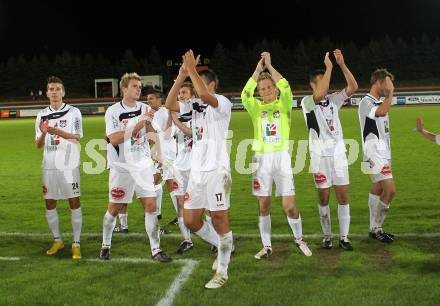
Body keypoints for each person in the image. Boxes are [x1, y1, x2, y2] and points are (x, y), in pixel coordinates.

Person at [166, 50, 233, 289]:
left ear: (212, 84)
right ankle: (224, 246)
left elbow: (204, 94)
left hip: (217, 170)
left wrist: (193, 69)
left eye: (199, 84)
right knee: (191, 220)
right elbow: (169, 104)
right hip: (197, 171)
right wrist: (182, 74)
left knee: (219, 218)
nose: (194, 89)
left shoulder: (222, 102)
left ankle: (222, 270)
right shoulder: (193, 105)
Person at [241, 52, 312, 259]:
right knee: (263, 204)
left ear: (274, 88)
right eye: (262, 89)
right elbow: (246, 94)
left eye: (269, 87)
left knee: (289, 206)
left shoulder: (284, 104)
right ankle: (267, 245)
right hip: (260, 159)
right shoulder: (255, 108)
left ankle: (299, 239)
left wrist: (269, 67)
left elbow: (286, 85)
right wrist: (257, 71)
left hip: (281, 159)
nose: (266, 91)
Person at [99, 72, 172, 262]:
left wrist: (160, 162)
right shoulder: (113, 111)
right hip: (121, 167)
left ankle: (156, 249)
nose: (139, 89)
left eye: (140, 87)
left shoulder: (146, 108)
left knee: (150, 205)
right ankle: (106, 244)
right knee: (114, 209)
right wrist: (139, 123)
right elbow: (114, 138)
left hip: (143, 165)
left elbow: (153, 135)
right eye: (134, 86)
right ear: (124, 88)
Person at [301, 50, 358, 250]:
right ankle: (327, 236)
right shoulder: (307, 102)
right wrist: (329, 67)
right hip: (320, 158)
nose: (326, 83)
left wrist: (341, 65)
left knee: (343, 196)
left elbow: (353, 87)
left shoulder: (334, 100)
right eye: (322, 80)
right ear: (312, 84)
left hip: (339, 155)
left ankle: (344, 237)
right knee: (324, 197)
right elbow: (319, 94)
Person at [35, 76, 83, 260]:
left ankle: (76, 243)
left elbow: (77, 137)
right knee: (50, 202)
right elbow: (38, 144)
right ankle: (57, 240)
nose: (54, 92)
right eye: (51, 89)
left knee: (74, 201)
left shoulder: (73, 112)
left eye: (57, 89)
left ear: (63, 92)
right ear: (47, 93)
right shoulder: (41, 115)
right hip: (49, 166)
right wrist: (44, 133)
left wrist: (57, 132)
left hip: (69, 165)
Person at [358, 69, 396, 243]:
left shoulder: (379, 102)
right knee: (390, 190)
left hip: (383, 153)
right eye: (387, 83)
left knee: (378, 188)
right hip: (374, 153)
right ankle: (377, 228)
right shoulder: (366, 102)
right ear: (378, 82)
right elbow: (379, 112)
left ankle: (373, 229)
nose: (389, 87)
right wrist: (391, 94)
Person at [165, 81, 197, 254]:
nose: (181, 96)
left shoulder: (196, 110)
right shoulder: (175, 112)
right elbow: (165, 135)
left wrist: (176, 119)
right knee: (180, 203)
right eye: (179, 93)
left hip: (195, 165)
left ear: (192, 95)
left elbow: (192, 134)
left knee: (201, 204)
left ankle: (215, 240)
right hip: (179, 166)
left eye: (184, 92)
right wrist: (171, 118)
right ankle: (187, 240)